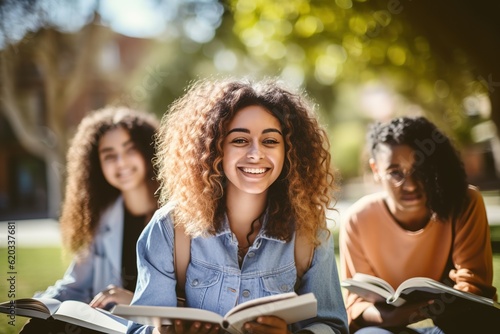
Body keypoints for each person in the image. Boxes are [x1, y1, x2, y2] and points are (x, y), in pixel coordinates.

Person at [127, 78, 349, 334]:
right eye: (240, 140)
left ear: (289, 151)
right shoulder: (169, 228)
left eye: (270, 141)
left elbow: (333, 326)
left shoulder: (309, 233)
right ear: (213, 149)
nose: (256, 154)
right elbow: (138, 329)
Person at [339, 116, 498, 333]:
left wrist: (431, 308)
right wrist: (396, 316)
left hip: (453, 323)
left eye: (420, 170)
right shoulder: (357, 219)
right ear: (376, 170)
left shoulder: (464, 202)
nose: (411, 185)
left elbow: (475, 286)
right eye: (395, 173)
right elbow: (356, 307)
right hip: (391, 327)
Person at [21, 106, 160, 333]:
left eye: (129, 149)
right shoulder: (100, 218)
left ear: (148, 150)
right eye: (109, 155)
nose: (121, 162)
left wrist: (134, 299)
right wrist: (41, 305)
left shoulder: (178, 216)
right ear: (97, 165)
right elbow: (76, 285)